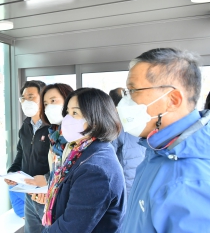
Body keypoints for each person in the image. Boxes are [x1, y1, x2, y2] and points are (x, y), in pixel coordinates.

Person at [119, 48, 210, 232]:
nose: (124, 102)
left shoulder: (189, 180)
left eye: (133, 90)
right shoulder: (160, 150)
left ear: (173, 100)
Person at [42, 88, 125, 232]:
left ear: (95, 119)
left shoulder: (95, 169)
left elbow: (71, 228)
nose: (67, 119)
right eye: (67, 112)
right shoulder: (81, 151)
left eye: (75, 113)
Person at [5, 80, 50, 233]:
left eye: (31, 97)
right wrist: (12, 172)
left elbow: (62, 164)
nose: (26, 102)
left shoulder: (53, 128)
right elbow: (21, 153)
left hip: (47, 194)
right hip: (28, 193)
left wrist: (47, 181)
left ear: (43, 99)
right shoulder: (25, 126)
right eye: (23, 98)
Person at [24, 84, 74, 191]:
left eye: (53, 101)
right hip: (49, 193)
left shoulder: (77, 136)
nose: (49, 107)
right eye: (46, 104)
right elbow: (55, 169)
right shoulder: (54, 135)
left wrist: (46, 180)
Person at [109, 87, 146, 195]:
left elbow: (110, 154)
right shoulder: (140, 117)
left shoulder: (117, 121)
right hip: (140, 175)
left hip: (127, 179)